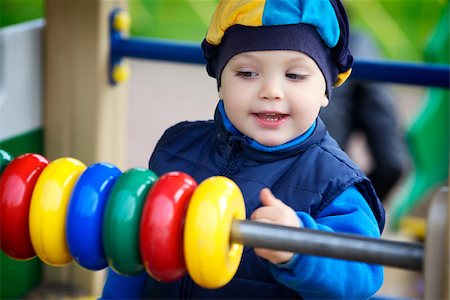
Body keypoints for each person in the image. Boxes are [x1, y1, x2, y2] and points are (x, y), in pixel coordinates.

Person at [102, 0, 385, 298]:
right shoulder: (177, 148)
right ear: (221, 83)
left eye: (295, 76)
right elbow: (135, 251)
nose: (271, 91)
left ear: (326, 91)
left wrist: (301, 249)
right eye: (247, 73)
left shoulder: (335, 183)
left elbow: (364, 273)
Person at [319, 29, 405, 201]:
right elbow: (391, 162)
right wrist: (359, 203)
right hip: (322, 181)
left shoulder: (259, 32)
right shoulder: (356, 44)